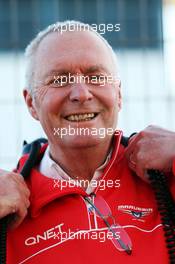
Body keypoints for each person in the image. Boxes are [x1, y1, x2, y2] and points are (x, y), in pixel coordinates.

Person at [0, 21, 175, 264]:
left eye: (96, 76)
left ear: (119, 94)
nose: (81, 94)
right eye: (59, 80)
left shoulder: (166, 175)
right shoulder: (8, 209)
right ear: (31, 103)